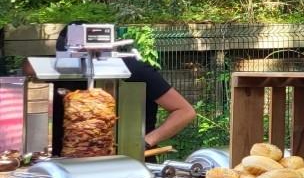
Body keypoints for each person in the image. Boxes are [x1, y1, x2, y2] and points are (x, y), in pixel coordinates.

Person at [49, 22, 196, 150]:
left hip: (133, 163)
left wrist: (144, 142)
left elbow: (184, 112)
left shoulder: (135, 71)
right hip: (70, 159)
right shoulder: (59, 72)